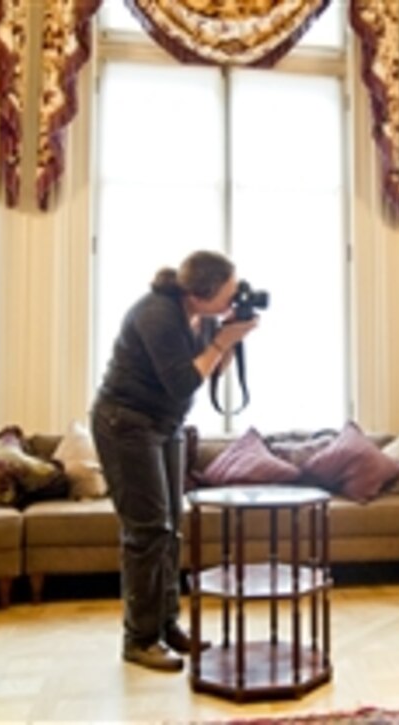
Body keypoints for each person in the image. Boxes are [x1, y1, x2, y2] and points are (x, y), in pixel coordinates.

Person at [91, 251, 258, 672]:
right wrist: (222, 341)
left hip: (164, 425)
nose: (236, 295)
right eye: (230, 289)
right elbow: (182, 380)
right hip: (125, 423)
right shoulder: (157, 314)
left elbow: (205, 376)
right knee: (147, 532)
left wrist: (229, 341)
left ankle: (166, 625)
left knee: (170, 529)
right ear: (203, 291)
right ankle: (140, 639)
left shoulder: (198, 319)